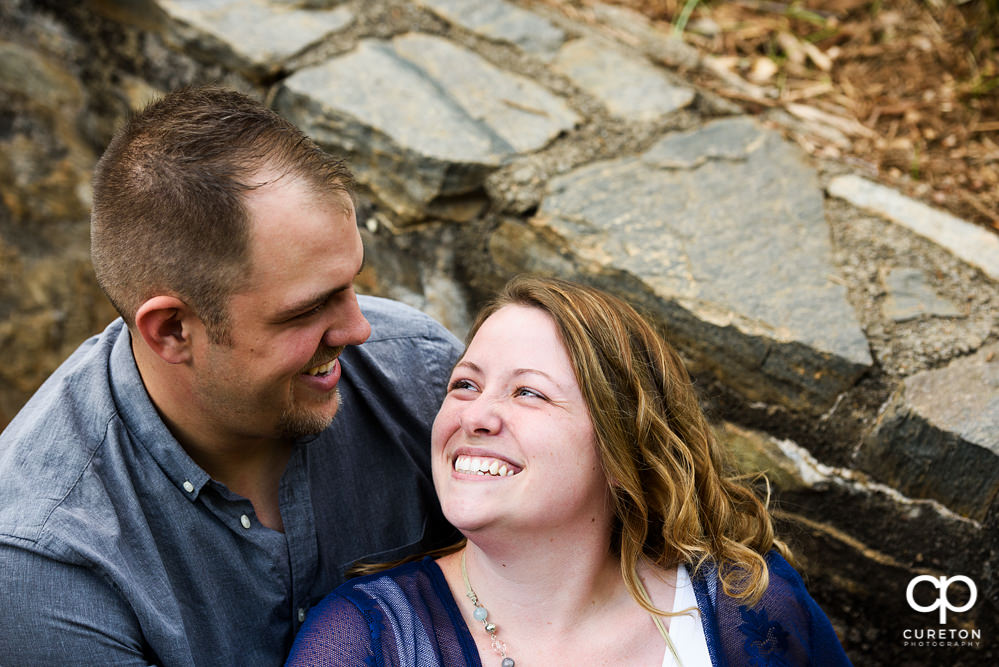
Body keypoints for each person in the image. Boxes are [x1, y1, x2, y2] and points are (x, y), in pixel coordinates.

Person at [0, 85, 461, 665]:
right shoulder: (43, 560)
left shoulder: (420, 371)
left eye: (352, 283)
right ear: (171, 331)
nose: (359, 330)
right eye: (308, 309)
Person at [286, 275, 853, 666]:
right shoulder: (366, 641)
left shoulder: (744, 602)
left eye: (528, 392)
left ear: (621, 443)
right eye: (464, 384)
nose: (476, 415)